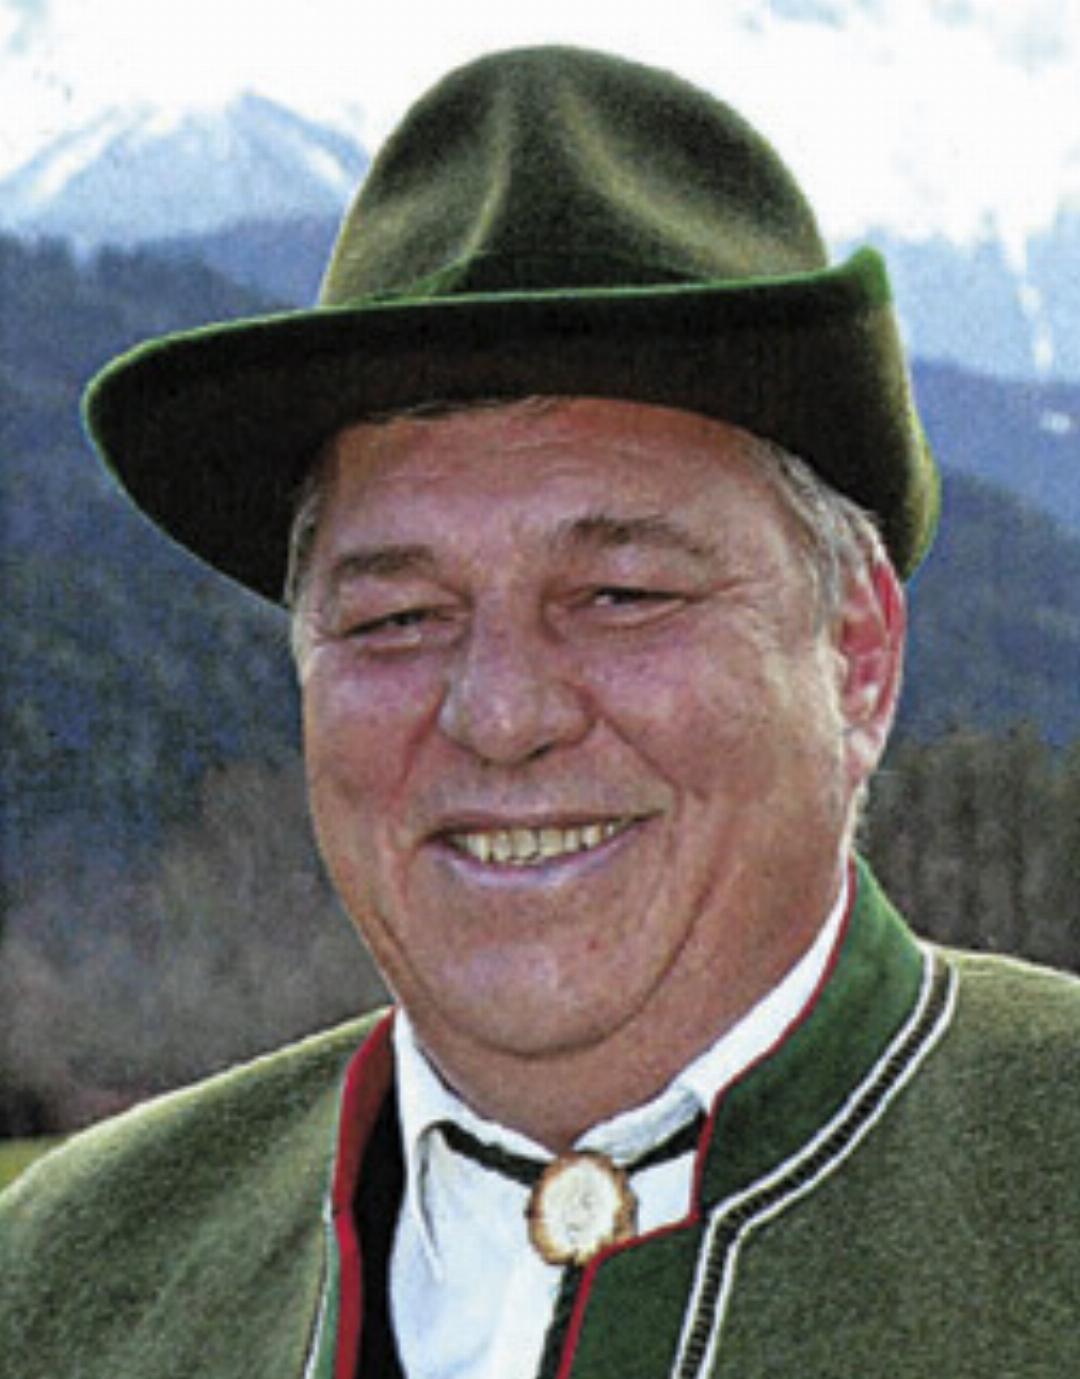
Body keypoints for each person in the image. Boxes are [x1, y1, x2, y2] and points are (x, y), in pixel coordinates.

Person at [1, 44, 1077, 1379]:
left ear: (855, 655)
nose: (501, 713)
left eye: (620, 595)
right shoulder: (68, 1279)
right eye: (398, 617)